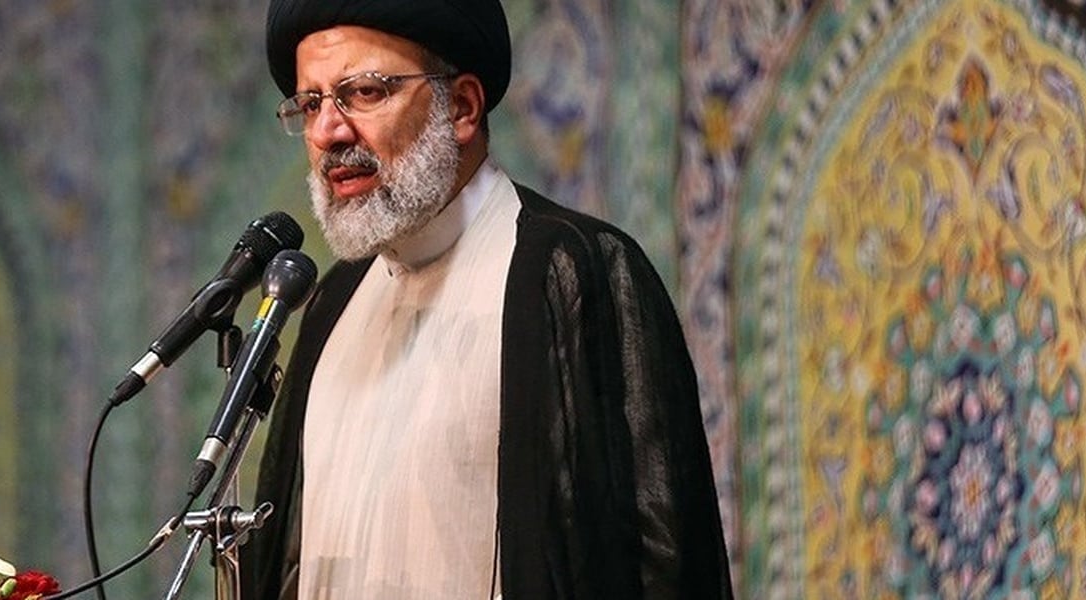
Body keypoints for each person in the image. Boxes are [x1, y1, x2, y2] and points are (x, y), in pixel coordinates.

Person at [241, 1, 733, 598]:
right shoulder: (333, 302)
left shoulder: (573, 272)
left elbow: (664, 563)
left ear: (462, 108)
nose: (327, 132)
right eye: (311, 104)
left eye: (363, 92)